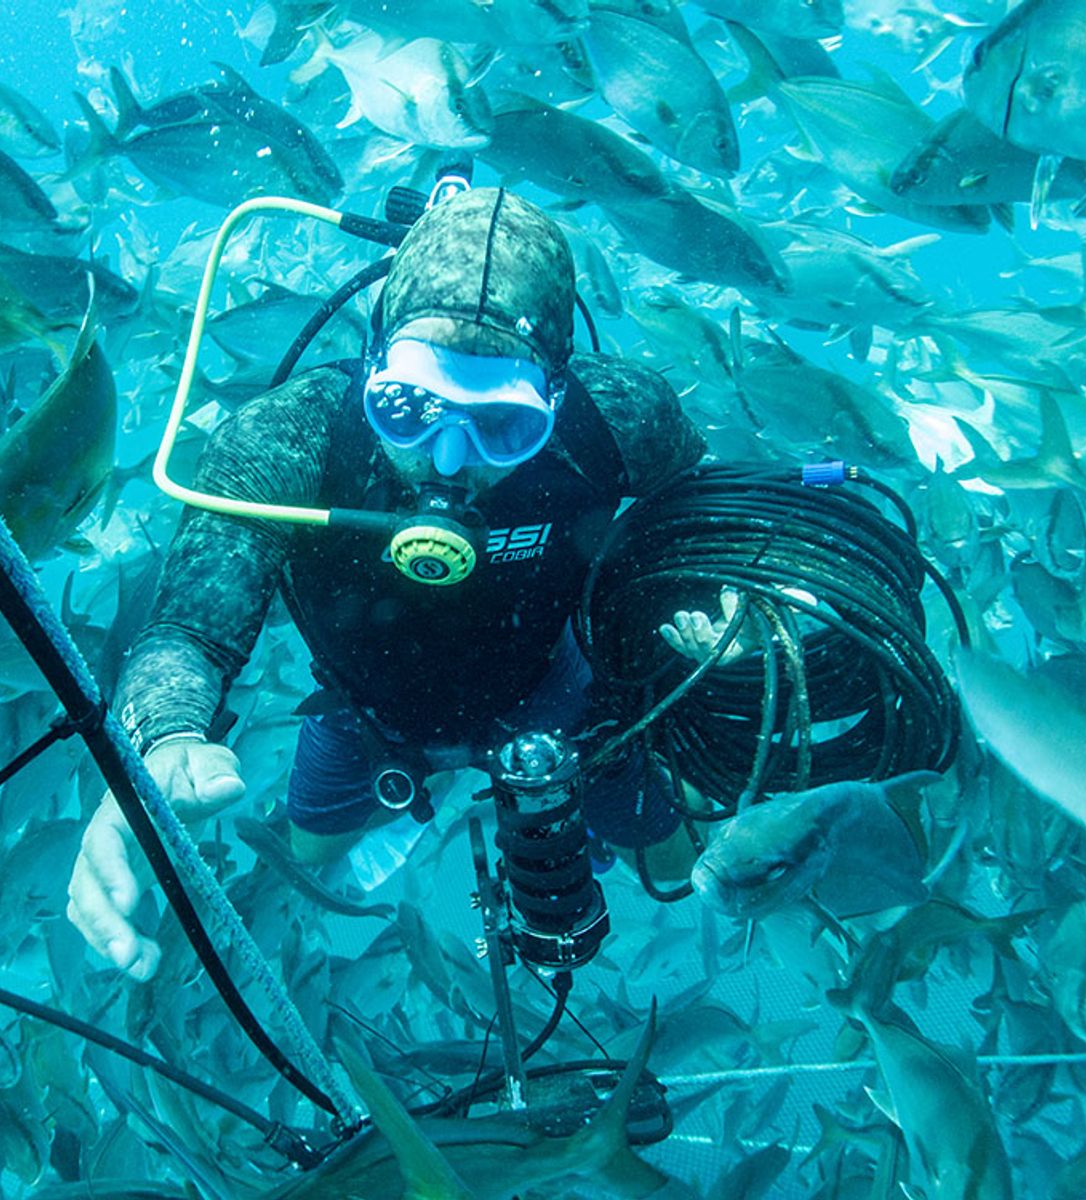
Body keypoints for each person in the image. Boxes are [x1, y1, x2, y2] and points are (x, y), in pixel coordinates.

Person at [68, 186, 731, 980]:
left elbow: (701, 511)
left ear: (556, 395)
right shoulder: (292, 436)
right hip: (368, 719)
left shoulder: (620, 416)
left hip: (563, 702)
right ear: (374, 359)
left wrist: (720, 606)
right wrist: (163, 743)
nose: (449, 459)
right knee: (308, 860)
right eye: (409, 408)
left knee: (684, 866)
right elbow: (190, 630)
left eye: (503, 425)